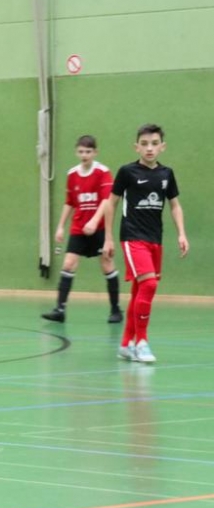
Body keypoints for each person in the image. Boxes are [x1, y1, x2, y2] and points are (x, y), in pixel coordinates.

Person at [103, 123, 188, 363]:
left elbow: (175, 205)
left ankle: (125, 345)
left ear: (162, 147)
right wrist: (108, 237)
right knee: (149, 284)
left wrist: (181, 233)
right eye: (144, 144)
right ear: (136, 147)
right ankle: (141, 342)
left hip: (155, 239)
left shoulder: (166, 174)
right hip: (132, 237)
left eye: (154, 144)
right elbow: (111, 203)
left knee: (139, 290)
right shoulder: (127, 172)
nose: (149, 148)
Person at [41, 135, 122, 324]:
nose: (84, 155)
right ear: (76, 152)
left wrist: (94, 221)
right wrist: (60, 226)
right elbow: (70, 202)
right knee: (69, 264)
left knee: (107, 264)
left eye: (88, 151)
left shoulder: (103, 172)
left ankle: (116, 309)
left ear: (95, 152)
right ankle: (60, 309)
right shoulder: (72, 174)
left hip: (99, 228)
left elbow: (107, 201)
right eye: (81, 151)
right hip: (78, 228)